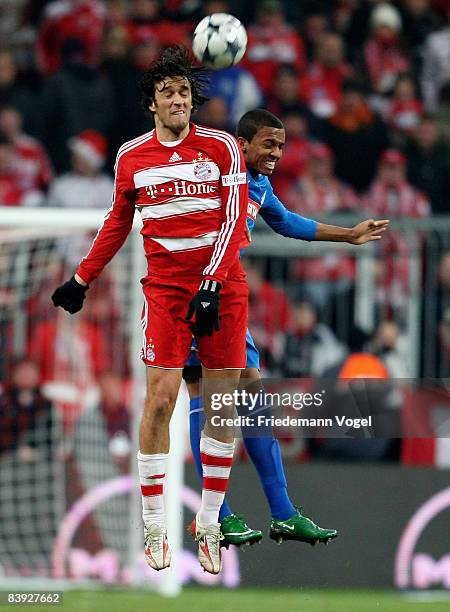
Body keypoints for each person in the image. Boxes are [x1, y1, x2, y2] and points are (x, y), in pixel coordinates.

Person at [51, 45, 249, 575]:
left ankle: (208, 523)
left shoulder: (223, 147)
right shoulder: (132, 157)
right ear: (152, 104)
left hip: (223, 287)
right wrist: (81, 277)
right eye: (168, 92)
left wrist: (211, 281)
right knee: (160, 398)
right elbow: (118, 223)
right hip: (165, 291)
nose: (178, 99)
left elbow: (232, 219)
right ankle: (156, 522)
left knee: (222, 406)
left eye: (184, 91)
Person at [184, 108, 389, 548]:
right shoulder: (218, 172)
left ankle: (280, 512)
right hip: (193, 290)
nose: (276, 153)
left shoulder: (257, 183)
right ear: (242, 144)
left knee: (247, 387)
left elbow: (288, 222)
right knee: (206, 393)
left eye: (281, 146)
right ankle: (219, 515)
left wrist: (348, 235)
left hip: (227, 297)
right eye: (268, 145)